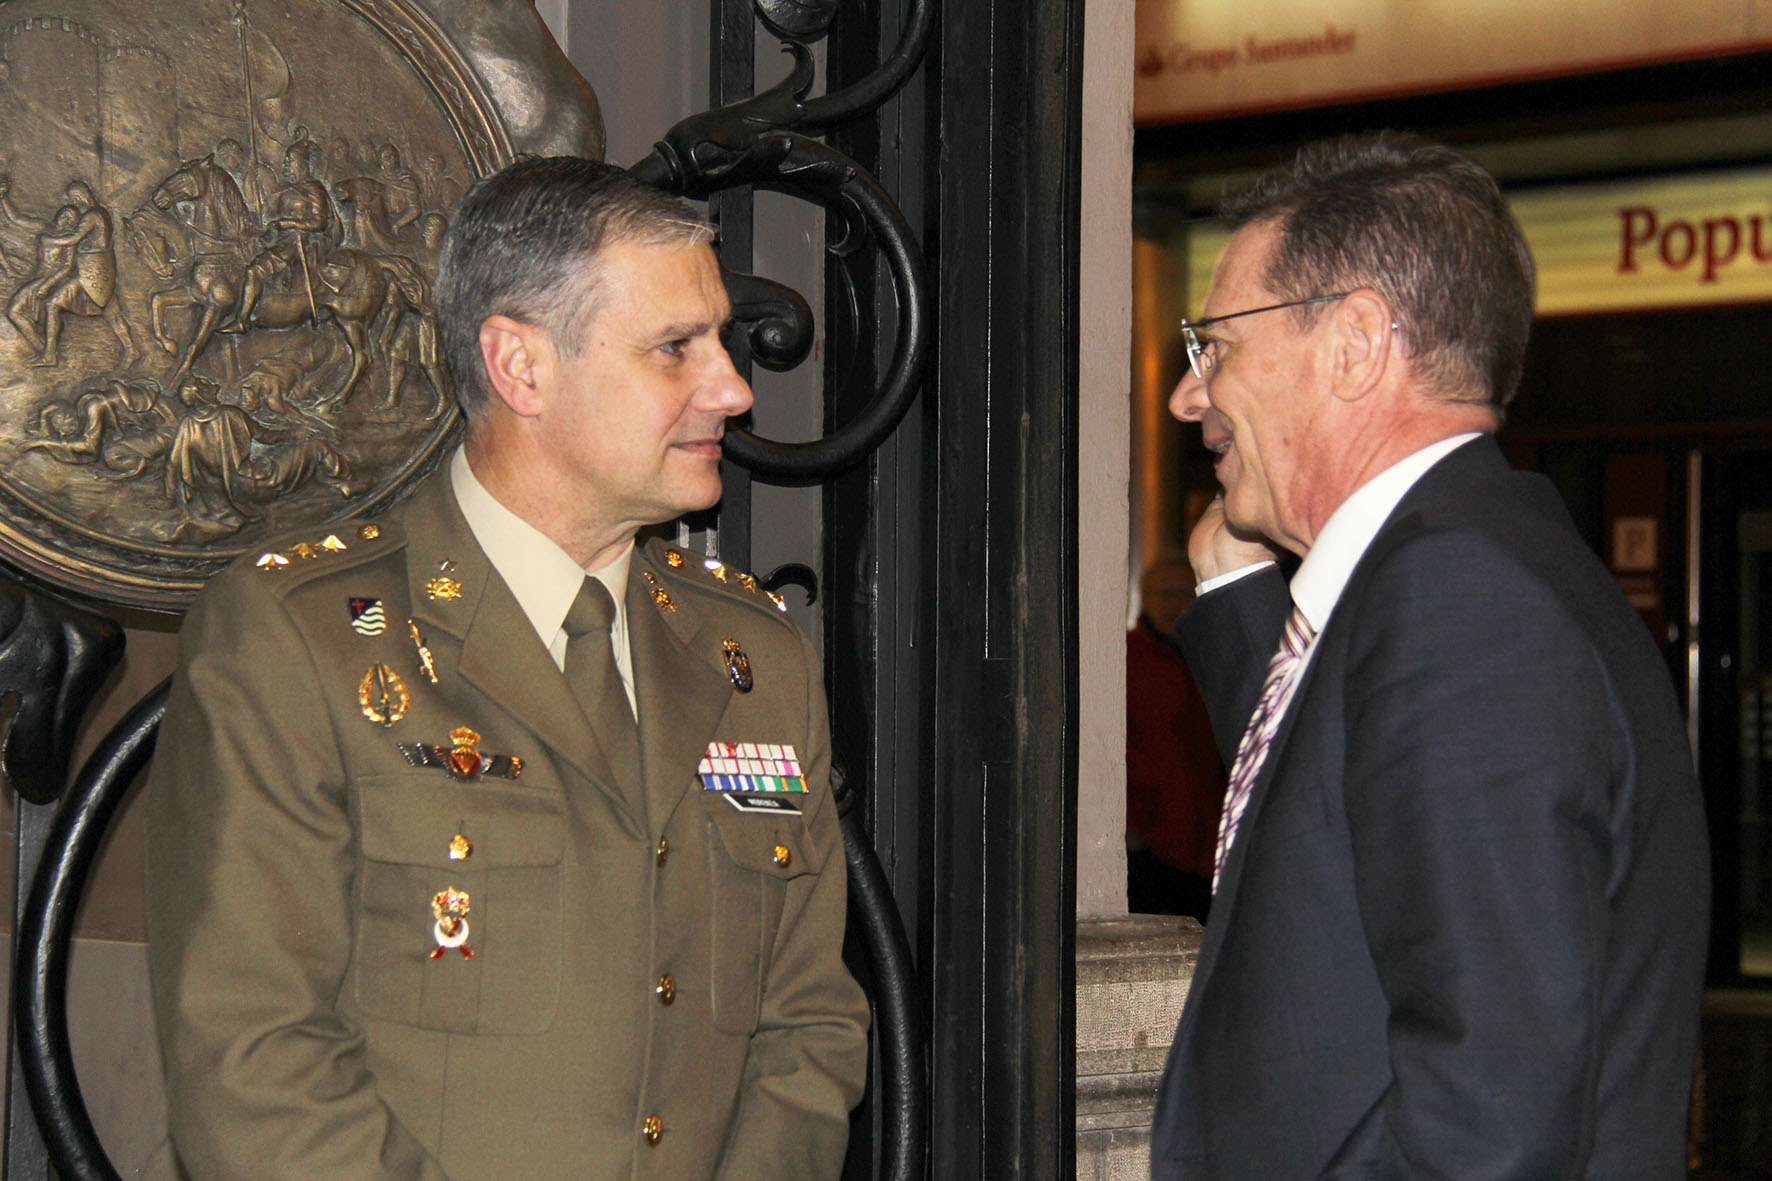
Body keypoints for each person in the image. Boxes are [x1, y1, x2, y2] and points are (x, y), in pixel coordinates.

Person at [146, 155, 870, 1179]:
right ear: (521, 366)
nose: (732, 387)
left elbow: (807, 1028)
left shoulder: (754, 655)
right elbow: (253, 1066)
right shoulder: (297, 640)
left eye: (720, 341)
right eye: (676, 347)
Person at [1150, 133, 1707, 1177]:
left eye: (1213, 344)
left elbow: (1487, 1120)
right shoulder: (1464, 568)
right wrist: (1235, 592)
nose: (1188, 394)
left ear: (1355, 343)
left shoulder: (1460, 597)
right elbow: (1332, 852)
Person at [1125, 553, 1224, 921]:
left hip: (1210, 842)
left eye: (1183, 593)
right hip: (1147, 843)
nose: (1173, 604)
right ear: (1145, 597)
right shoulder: (1126, 660)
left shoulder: (1213, 659)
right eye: (1163, 594)